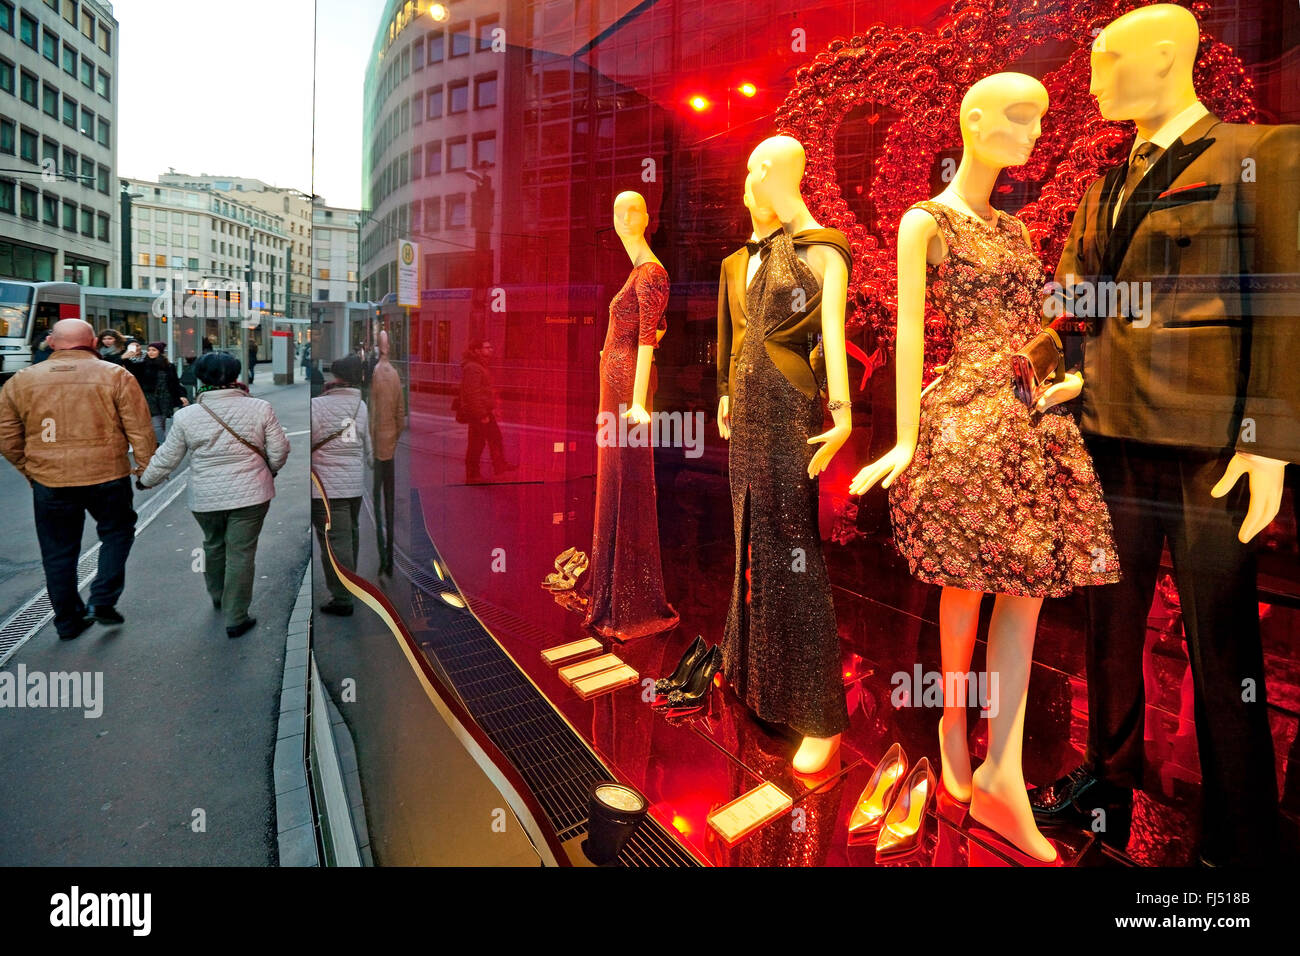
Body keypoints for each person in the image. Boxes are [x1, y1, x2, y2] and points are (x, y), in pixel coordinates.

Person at [0, 319, 156, 639]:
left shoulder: (21, 380)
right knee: (117, 532)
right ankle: (102, 598)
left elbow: (7, 436)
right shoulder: (115, 375)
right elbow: (139, 429)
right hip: (108, 475)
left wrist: (30, 470)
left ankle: (68, 622)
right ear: (94, 343)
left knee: (58, 552)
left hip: (50, 480)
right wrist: (144, 469)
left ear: (52, 343)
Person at [138, 352, 288, 638]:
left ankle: (218, 594)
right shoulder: (260, 408)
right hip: (252, 494)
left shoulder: (186, 416)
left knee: (213, 543)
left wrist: (146, 481)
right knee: (241, 552)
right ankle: (237, 616)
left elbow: (168, 457)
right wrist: (268, 469)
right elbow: (279, 450)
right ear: (235, 376)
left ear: (200, 377)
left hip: (205, 497)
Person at [311, 355, 371, 615]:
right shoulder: (361, 405)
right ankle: (350, 585)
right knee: (350, 535)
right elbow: (367, 446)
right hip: (353, 483)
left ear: (334, 378)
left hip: (325, 486)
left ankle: (342, 597)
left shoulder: (317, 405)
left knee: (334, 542)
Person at [368, 331, 405, 577]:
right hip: (390, 445)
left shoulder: (375, 373)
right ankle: (390, 560)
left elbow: (371, 412)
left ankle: (384, 558)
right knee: (389, 502)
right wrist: (394, 437)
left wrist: (372, 443)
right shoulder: (394, 374)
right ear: (388, 347)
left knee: (378, 503)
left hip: (378, 446)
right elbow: (400, 412)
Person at [459, 339, 513, 482]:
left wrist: (490, 409)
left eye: (491, 347)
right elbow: (472, 393)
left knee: (494, 438)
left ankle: (499, 465)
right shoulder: (473, 368)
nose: (491, 349)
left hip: (484, 411)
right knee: (477, 444)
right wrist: (482, 414)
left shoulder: (479, 365)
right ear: (477, 350)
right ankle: (473, 475)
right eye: (487, 347)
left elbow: (482, 392)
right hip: (478, 413)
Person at [134, 342, 189, 442]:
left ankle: (159, 444)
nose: (150, 352)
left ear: (160, 352)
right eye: (149, 350)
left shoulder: (168, 366)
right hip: (149, 398)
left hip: (164, 398)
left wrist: (181, 395)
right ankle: (161, 446)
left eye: (154, 350)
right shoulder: (142, 365)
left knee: (161, 422)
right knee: (157, 424)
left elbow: (174, 382)